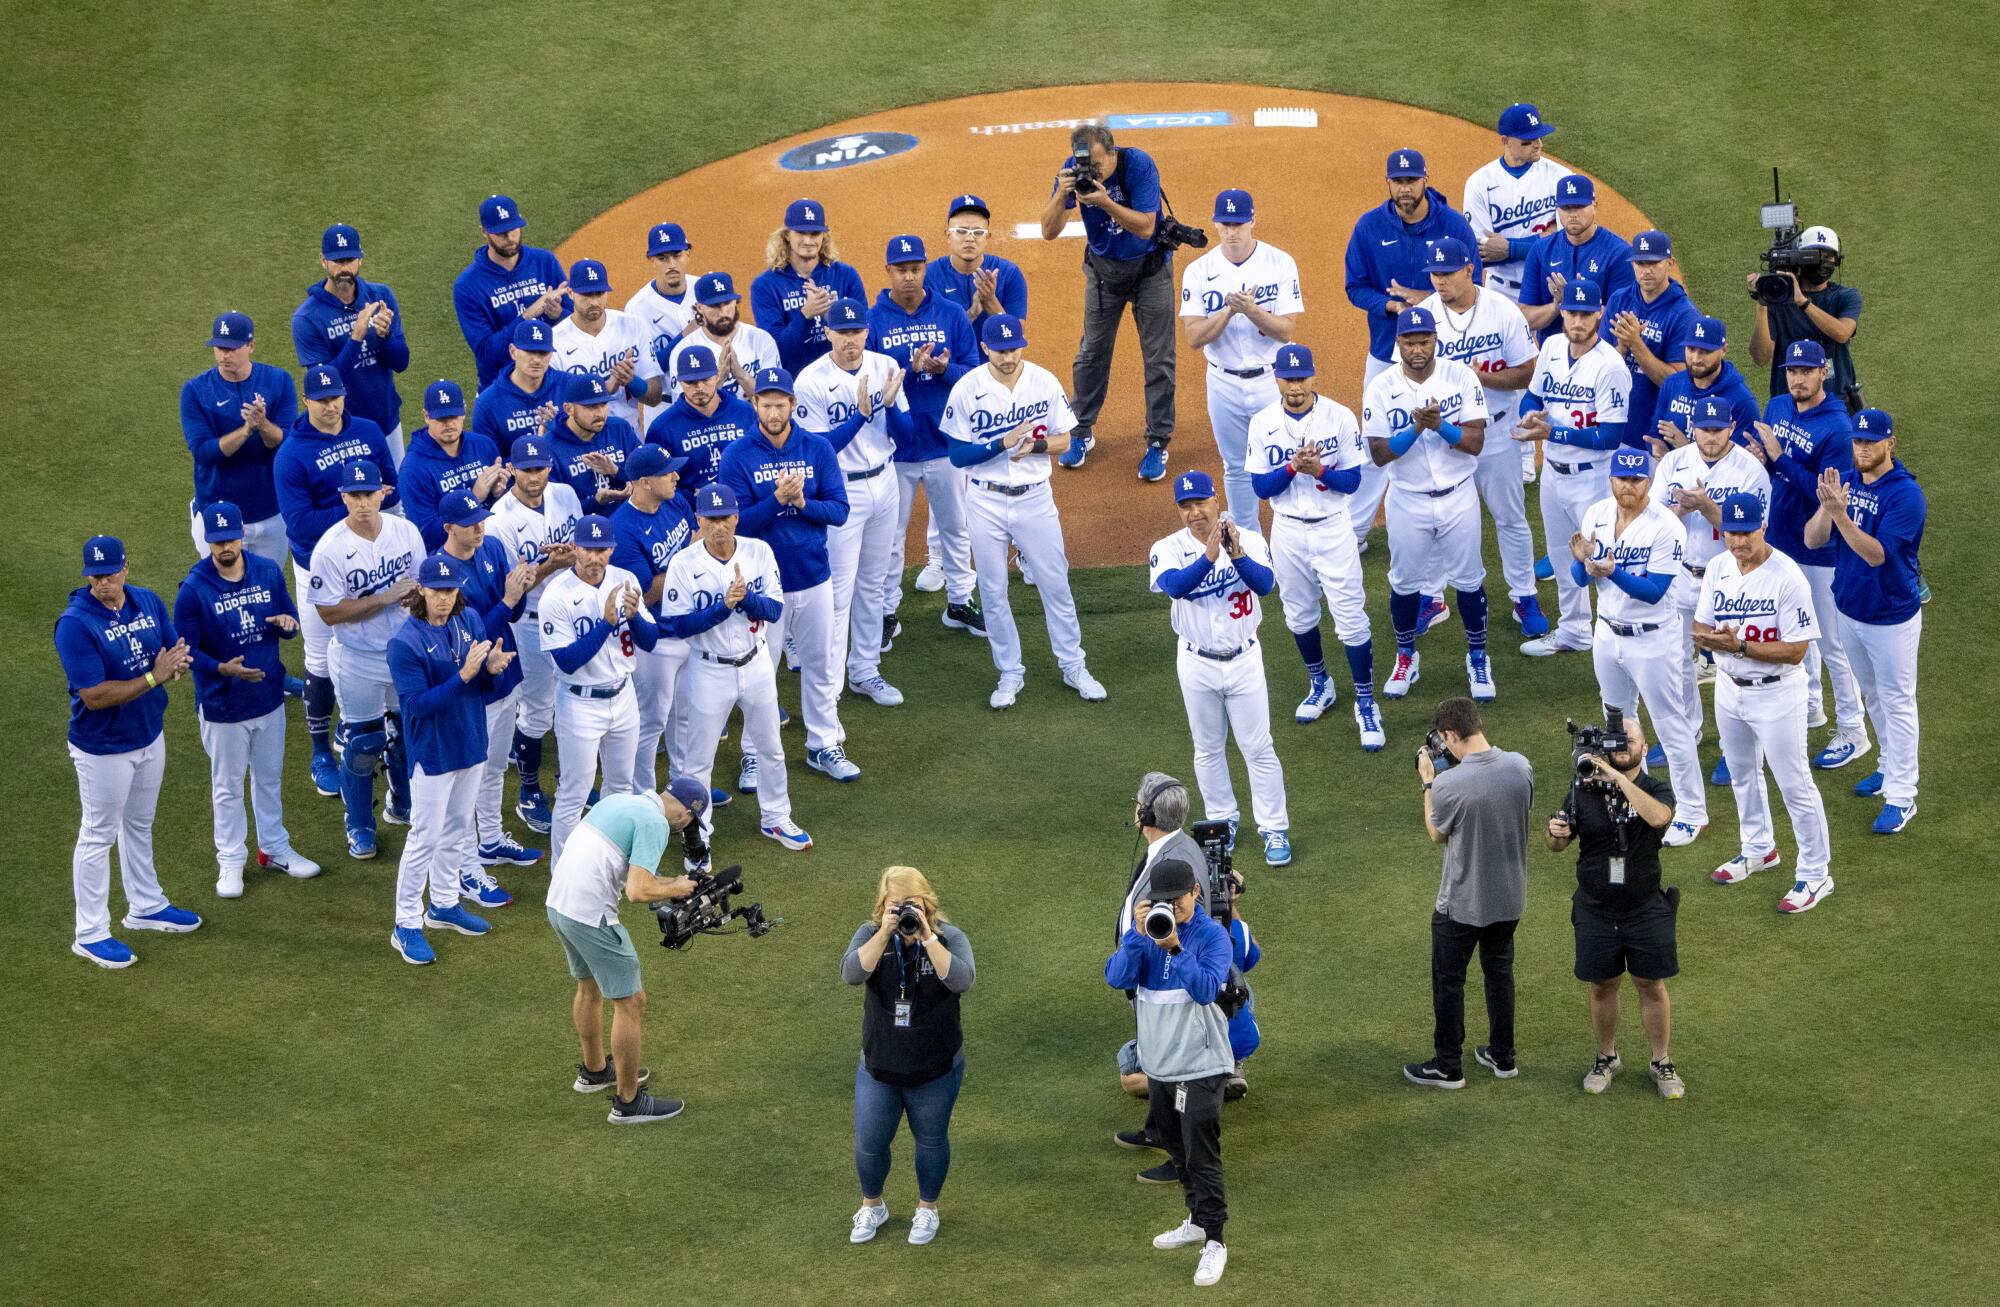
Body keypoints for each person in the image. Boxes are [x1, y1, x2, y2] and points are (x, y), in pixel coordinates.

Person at [941, 315, 1107, 708]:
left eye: (1014, 347)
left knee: (1055, 582)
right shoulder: (967, 389)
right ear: (985, 349)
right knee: (993, 590)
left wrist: (1033, 446)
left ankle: (1073, 665)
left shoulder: (1043, 381)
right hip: (985, 499)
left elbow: (1066, 440)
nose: (1009, 356)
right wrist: (1000, 444)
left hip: (1034, 496)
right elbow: (957, 454)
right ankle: (1009, 672)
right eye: (1000, 350)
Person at [56, 535, 201, 968]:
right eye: (96, 576)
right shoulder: (75, 624)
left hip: (147, 733)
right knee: (98, 833)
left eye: (111, 573)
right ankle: (90, 932)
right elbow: (95, 695)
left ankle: (145, 905)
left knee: (140, 823)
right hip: (103, 748)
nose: (104, 582)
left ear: (126, 568)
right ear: (87, 576)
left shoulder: (147, 601)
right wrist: (155, 677)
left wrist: (174, 663)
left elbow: (174, 647)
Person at [1694, 494, 1835, 913]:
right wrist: (1719, 643)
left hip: (1777, 692)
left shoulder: (1788, 576)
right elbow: (1700, 625)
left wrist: (1739, 647)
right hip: (1729, 688)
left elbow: (1795, 651)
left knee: (1794, 784)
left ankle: (1815, 874)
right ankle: (1759, 849)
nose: (1737, 542)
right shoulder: (1719, 568)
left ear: (1763, 528)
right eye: (1731, 533)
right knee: (1742, 774)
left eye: (1745, 533)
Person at [716, 367, 856, 784]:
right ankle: (753, 753)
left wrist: (802, 502)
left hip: (813, 575)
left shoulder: (817, 449)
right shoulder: (738, 455)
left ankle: (823, 744)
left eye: (780, 403)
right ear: (754, 404)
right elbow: (736, 525)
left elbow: (839, 510)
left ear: (793, 405)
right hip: (763, 585)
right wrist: (779, 500)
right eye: (766, 402)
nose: (773, 410)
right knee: (760, 672)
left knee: (821, 665)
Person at [173, 502, 319, 898]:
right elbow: (185, 653)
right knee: (228, 785)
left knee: (269, 778)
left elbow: (289, 617)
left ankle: (274, 848)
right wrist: (223, 669)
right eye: (217, 541)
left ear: (241, 535)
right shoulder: (193, 590)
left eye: (230, 538)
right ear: (207, 541)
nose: (224, 547)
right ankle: (230, 861)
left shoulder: (268, 571)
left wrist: (288, 626)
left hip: (268, 697)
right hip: (223, 707)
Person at [1148, 471, 1292, 866]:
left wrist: (1236, 553)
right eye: (1185, 506)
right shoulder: (1167, 548)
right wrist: (1211, 555)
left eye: (1201, 503)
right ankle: (1222, 821)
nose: (1195, 513)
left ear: (1216, 501)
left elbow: (1264, 586)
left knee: (1258, 747)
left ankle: (1274, 827)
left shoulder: (1250, 538)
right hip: (1196, 662)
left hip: (1245, 659)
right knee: (1208, 748)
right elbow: (1176, 587)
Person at [1341, 149, 1484, 546]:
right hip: (1386, 347)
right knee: (1377, 438)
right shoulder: (1369, 227)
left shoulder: (1453, 225)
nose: (1405, 189)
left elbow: (1476, 285)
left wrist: (1422, 301)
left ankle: (1449, 508)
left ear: (1425, 180)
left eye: (1412, 180)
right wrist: (1391, 306)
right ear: (1388, 183)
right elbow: (1355, 286)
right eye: (1398, 181)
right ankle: (1356, 529)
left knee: (1448, 430)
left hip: (1445, 352)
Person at [658, 484, 812, 852]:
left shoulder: (759, 552)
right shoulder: (684, 564)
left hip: (756, 663)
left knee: (770, 747)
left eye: (725, 517)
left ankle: (776, 818)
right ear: (699, 520)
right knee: (698, 760)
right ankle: (698, 836)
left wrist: (746, 599)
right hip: (708, 670)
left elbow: (775, 611)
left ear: (736, 516)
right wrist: (724, 606)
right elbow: (679, 626)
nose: (719, 526)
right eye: (711, 519)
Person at [1103, 858, 1234, 1288]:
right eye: (1161, 902)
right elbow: (1115, 977)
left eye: (1176, 900)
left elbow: (1204, 990)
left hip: (1201, 1065)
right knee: (1176, 1150)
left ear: (1195, 891)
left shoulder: (1212, 936)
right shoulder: (1145, 934)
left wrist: (1175, 947)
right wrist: (1134, 939)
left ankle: (1214, 1240)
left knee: (1201, 1154)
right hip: (1160, 1065)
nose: (1170, 909)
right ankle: (1197, 1218)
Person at [545, 779, 708, 1123]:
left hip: (559, 905)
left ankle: (594, 1071)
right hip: (591, 916)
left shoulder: (621, 803)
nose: (686, 829)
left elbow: (629, 872)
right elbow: (637, 890)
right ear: (685, 812)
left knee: (588, 988)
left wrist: (672, 886)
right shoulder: (655, 823)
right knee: (631, 1001)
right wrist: (674, 886)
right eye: (691, 821)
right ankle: (629, 1102)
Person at [1245, 345, 1383, 748]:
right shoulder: (1262, 423)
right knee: (1299, 616)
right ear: (1277, 379)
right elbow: (1260, 487)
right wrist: (1292, 467)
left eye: (1301, 377)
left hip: (1332, 528)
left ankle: (1365, 700)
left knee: (1351, 619)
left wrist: (1320, 469)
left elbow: (1353, 482)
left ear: (1312, 376)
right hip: (1286, 530)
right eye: (1288, 378)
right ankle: (1320, 683)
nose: (1295, 385)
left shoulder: (1339, 417)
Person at [385, 552, 520, 963]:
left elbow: (477, 684)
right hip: (433, 753)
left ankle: (443, 904)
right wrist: (463, 675)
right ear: (420, 591)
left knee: (459, 829)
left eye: (450, 590)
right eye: (437, 591)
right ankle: (405, 923)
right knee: (423, 838)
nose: (444, 598)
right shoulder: (404, 643)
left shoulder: (471, 621)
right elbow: (416, 707)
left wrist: (490, 670)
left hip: (470, 742)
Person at [274, 364, 401, 798]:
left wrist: (366, 508)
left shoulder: (366, 430)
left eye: (336, 397)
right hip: (318, 567)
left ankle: (367, 727)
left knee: (382, 641)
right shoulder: (291, 454)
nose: (331, 406)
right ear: (306, 401)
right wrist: (360, 508)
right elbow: (300, 523)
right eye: (321, 399)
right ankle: (319, 751)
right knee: (319, 657)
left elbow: (394, 489)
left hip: (372, 556)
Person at [1571, 448, 1707, 847]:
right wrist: (1581, 563)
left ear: (1648, 482)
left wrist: (1612, 571)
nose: (1628, 487)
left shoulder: (1666, 527)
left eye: (1636, 480)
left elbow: (1654, 591)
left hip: (1653, 637)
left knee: (1670, 723)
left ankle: (1693, 810)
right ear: (1610, 479)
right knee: (1617, 722)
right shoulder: (1596, 514)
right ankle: (1635, 795)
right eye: (1621, 479)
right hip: (1608, 633)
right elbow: (1581, 579)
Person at [1543, 715, 1685, 1099]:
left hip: (1644, 907)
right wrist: (1554, 835)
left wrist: (1619, 780)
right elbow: (1557, 845)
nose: (1622, 747)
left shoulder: (1656, 788)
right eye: (1615, 741)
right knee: (1602, 985)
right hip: (1595, 907)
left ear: (1644, 746)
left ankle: (1662, 1061)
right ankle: (1606, 1057)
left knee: (1650, 984)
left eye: (1629, 741)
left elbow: (1659, 818)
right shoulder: (1581, 789)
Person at [1413, 238, 1549, 638]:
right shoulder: (1423, 316)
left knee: (1510, 518)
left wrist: (1480, 379)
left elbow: (1528, 371)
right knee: (1438, 517)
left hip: (1495, 433)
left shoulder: (1501, 311)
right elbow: (1405, 374)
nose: (1440, 281)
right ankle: (1432, 597)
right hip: (1445, 438)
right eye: (1435, 274)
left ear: (1469, 269)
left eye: (1448, 273)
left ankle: (1524, 597)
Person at [1362, 307, 1495, 702]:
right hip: (1408, 500)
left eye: (1424, 341)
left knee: (1470, 580)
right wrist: (1417, 428)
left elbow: (1475, 442)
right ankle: (1406, 656)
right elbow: (1380, 454)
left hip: (1458, 496)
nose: (1417, 349)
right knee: (1403, 583)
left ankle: (1477, 657)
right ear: (1398, 343)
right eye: (1409, 342)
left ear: (1435, 340)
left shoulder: (1461, 377)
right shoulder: (1381, 386)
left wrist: (1441, 426)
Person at [842, 866, 977, 1247]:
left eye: (911, 904)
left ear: (927, 902)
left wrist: (927, 937)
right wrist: (885, 932)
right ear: (881, 906)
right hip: (879, 1065)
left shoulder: (949, 938)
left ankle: (927, 1208)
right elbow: (851, 974)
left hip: (935, 1067)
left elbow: (962, 981)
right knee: (869, 1141)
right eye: (894, 905)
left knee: (931, 1140)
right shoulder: (871, 935)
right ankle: (873, 1205)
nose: (904, 912)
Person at [1803, 409, 1924, 833]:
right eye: (1857, 441)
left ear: (1890, 443)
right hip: (1850, 609)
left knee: (1897, 701)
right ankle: (1889, 766)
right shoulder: (1849, 483)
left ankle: (1902, 795)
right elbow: (1812, 539)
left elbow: (1876, 555)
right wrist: (1827, 508)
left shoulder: (1905, 495)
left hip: (1890, 616)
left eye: (1871, 442)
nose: (1862, 448)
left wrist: (1840, 515)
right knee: (1872, 695)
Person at [1405, 697, 1534, 1088]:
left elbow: (1435, 833)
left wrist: (1429, 781)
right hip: (1509, 898)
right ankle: (1503, 1056)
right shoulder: (1521, 766)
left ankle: (1448, 1066)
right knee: (1499, 975)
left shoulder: (1447, 784)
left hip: (1461, 903)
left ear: (1448, 735)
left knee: (1449, 981)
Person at [1750, 340, 1868, 765]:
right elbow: (1769, 466)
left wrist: (1779, 459)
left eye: (1806, 371)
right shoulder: (1778, 406)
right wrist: (1761, 459)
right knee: (1796, 631)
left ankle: (1854, 731)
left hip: (1820, 553)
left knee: (1833, 643)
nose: (1797, 378)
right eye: (1791, 370)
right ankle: (1813, 706)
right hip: (1780, 538)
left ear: (1824, 374)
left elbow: (1826, 495)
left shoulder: (1837, 429)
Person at [1040, 124, 1176, 481]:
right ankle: (1081, 431)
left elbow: (1147, 226)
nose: (1091, 172)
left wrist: (1104, 202)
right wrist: (1061, 195)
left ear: (1112, 152)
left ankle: (1159, 441)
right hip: (1104, 275)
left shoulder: (1138, 165)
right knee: (1091, 354)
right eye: (1086, 166)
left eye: (1097, 165)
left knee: (1158, 358)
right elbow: (1048, 231)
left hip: (1150, 272)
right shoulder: (1074, 169)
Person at [796, 296, 910, 707]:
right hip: (841, 489)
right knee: (838, 592)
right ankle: (828, 687)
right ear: (828, 333)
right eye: (841, 332)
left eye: (856, 331)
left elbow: (907, 436)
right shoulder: (809, 380)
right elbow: (820, 448)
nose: (850, 340)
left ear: (867, 331)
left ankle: (864, 670)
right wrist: (861, 415)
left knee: (873, 584)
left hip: (886, 481)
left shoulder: (885, 367)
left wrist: (893, 406)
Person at [308, 459, 424, 859]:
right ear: (343, 498)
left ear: (382, 493)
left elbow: (420, 584)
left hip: (403, 652)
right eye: (353, 496)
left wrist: (415, 596)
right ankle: (358, 823)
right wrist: (383, 598)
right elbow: (329, 612)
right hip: (357, 658)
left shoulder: (405, 532)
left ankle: (402, 801)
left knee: (409, 731)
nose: (362, 503)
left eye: (368, 494)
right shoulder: (330, 548)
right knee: (363, 742)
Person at [873, 233, 985, 636]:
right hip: (897, 448)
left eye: (915, 269)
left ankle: (959, 600)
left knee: (955, 527)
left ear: (925, 269)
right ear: (888, 271)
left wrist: (941, 370)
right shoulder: (872, 321)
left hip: (944, 443)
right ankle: (886, 612)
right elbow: (868, 381)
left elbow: (973, 372)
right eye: (901, 269)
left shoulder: (951, 313)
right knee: (891, 536)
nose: (909, 277)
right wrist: (907, 367)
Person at [1650, 397, 1771, 767]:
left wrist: (1705, 506)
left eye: (1719, 430)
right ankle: (1687, 731)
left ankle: (1738, 745)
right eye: (1705, 429)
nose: (1712, 437)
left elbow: (1751, 534)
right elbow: (1652, 519)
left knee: (1736, 663)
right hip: (1681, 572)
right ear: (1694, 429)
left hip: (1732, 578)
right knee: (1676, 660)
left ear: (1731, 429)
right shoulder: (1674, 462)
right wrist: (1680, 510)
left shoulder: (1751, 471)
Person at [1516, 279, 1632, 655]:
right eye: (1571, 312)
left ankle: (1617, 637)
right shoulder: (1550, 346)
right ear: (1562, 311)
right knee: (1564, 555)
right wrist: (1528, 414)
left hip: (1593, 479)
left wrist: (1555, 433)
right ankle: (1574, 631)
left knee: (1602, 559)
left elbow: (1611, 436)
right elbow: (1533, 395)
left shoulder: (1610, 366)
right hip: (1552, 473)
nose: (1578, 321)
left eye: (1586, 313)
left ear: (1599, 313)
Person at [434, 490, 544, 879]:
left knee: (495, 767)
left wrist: (520, 589)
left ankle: (491, 839)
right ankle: (463, 869)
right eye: (469, 524)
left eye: (481, 519)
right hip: (472, 688)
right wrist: (510, 598)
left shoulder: (492, 547)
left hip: (505, 673)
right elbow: (467, 637)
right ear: (449, 528)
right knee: (469, 777)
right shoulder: (440, 573)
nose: (479, 527)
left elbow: (510, 613)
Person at [538, 514, 659, 867]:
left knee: (620, 787)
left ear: (612, 549)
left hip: (623, 696)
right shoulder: (556, 595)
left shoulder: (626, 580)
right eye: (588, 549)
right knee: (575, 792)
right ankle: (563, 871)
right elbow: (567, 662)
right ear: (574, 548)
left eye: (602, 549)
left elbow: (650, 641)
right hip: (580, 701)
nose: (595, 558)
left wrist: (634, 618)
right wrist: (606, 624)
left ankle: (609, 859)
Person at [1178, 188, 1303, 528]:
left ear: (1252, 221)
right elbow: (1193, 337)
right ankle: (1249, 543)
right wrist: (1228, 313)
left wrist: (1251, 310)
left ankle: (1289, 530)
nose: (1232, 231)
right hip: (1223, 381)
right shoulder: (1198, 270)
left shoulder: (1280, 262)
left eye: (1238, 223)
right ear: (1215, 224)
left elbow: (1286, 331)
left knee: (1281, 460)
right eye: (1225, 224)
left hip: (1269, 381)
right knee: (1235, 465)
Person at [484, 435, 584, 834]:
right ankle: (528, 792)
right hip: (529, 620)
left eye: (540, 468)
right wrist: (550, 565)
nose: (534, 476)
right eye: (526, 470)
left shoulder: (565, 495)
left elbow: (579, 549)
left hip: (572, 610)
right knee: (539, 709)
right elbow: (513, 587)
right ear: (512, 470)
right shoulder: (498, 520)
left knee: (574, 700)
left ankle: (569, 782)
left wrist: (572, 556)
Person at [1463, 102, 1567, 482]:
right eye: (1528, 139)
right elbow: (1481, 249)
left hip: (1550, 286)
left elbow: (1567, 235)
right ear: (1505, 140)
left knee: (1554, 368)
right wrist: (1533, 243)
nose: (1537, 143)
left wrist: (1515, 248)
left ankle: (1549, 442)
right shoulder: (1480, 182)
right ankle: (1521, 449)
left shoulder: (1559, 177)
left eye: (1540, 136)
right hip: (1503, 290)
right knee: (1511, 368)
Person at [608, 445, 697, 794]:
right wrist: (687, 561)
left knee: (685, 715)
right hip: (655, 641)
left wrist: (689, 554)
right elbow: (645, 595)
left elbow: (692, 540)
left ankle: (683, 784)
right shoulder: (623, 529)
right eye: (667, 472)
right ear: (644, 482)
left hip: (689, 628)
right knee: (651, 721)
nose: (676, 475)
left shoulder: (674, 500)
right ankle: (642, 793)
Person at [179, 311, 295, 563]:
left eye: (231, 348)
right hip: (216, 514)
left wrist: (262, 424)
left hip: (270, 513)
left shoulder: (278, 381)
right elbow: (204, 453)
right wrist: (246, 430)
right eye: (219, 348)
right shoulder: (196, 391)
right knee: (222, 593)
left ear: (251, 346)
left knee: (267, 590)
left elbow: (288, 444)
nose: (224, 355)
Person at [291, 223, 410, 465]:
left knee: (396, 500)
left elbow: (401, 362)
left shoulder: (380, 296)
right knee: (357, 499)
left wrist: (386, 337)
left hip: (387, 420)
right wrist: (356, 338)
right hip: (343, 432)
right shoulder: (307, 318)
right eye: (337, 261)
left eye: (349, 259)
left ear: (360, 259)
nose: (344, 268)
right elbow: (324, 387)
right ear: (323, 260)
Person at [452, 194, 570, 389]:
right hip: (502, 390)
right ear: (484, 232)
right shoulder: (467, 286)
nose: (510, 238)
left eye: (514, 229)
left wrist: (558, 315)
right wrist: (529, 314)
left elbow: (577, 322)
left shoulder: (544, 261)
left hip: (552, 382)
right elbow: (486, 352)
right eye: (501, 233)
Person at [1747, 225, 1862, 409]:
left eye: (1828, 257)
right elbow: (1760, 357)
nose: (1821, 263)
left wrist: (1803, 302)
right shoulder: (1779, 298)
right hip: (1789, 406)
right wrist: (1761, 305)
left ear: (1837, 261)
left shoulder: (1846, 296)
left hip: (1834, 404)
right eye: (1814, 256)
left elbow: (1842, 333)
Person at [750, 198, 869, 376]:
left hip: (843, 376)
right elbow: (775, 350)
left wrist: (833, 316)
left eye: (814, 233)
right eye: (801, 233)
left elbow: (863, 334)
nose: (808, 240)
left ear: (823, 236)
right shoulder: (765, 286)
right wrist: (805, 315)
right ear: (787, 236)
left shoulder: (846, 275)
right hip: (796, 381)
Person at [1599, 231, 1696, 438]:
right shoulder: (1619, 300)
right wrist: (1622, 349)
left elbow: (1678, 384)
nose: (1646, 271)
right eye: (1640, 263)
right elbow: (1597, 366)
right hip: (1613, 425)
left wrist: (1635, 344)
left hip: (1656, 435)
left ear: (1670, 263)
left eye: (1654, 263)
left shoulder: (1684, 315)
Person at [1516, 174, 1636, 339]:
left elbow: (1622, 322)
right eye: (1566, 208)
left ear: (1594, 205)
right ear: (1557, 209)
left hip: (1600, 357)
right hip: (1552, 356)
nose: (1573, 214)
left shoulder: (1619, 253)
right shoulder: (1540, 250)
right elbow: (1525, 318)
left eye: (1579, 207)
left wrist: (1578, 301)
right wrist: (1556, 306)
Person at [552, 257, 662, 434]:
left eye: (599, 293)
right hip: (581, 443)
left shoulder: (633, 326)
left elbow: (655, 397)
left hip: (629, 436)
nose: (594, 302)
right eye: (587, 295)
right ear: (571, 293)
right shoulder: (554, 342)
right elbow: (557, 413)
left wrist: (632, 381)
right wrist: (604, 391)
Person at [398, 379, 508, 550]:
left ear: (464, 410)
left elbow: (504, 509)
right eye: (441, 418)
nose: (449, 424)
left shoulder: (484, 445)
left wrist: (499, 494)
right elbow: (427, 536)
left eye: (453, 416)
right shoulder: (413, 470)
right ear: (426, 416)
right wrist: (474, 498)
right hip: (451, 558)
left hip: (493, 542)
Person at [644, 343, 760, 504]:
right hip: (696, 514)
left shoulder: (746, 413)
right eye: (691, 382)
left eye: (705, 379)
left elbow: (763, 459)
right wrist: (691, 498)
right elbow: (655, 483)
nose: (699, 387)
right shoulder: (662, 428)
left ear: (717, 375)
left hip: (746, 505)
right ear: (678, 381)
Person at [926, 193, 1028, 349]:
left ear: (988, 237)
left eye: (978, 232)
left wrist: (989, 300)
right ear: (948, 235)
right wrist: (972, 314)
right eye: (961, 231)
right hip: (948, 366)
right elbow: (930, 340)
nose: (969, 238)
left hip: (993, 367)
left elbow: (1015, 337)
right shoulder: (929, 276)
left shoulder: (1009, 274)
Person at [625, 222, 699, 430]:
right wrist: (685, 335)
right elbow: (648, 372)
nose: (672, 264)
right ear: (651, 260)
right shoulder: (637, 308)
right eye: (663, 258)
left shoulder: (703, 290)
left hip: (707, 402)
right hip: (663, 408)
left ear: (688, 254)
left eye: (677, 255)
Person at [1650, 316, 1762, 453]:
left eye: (1705, 351)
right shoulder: (1672, 383)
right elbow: (1655, 433)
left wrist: (1686, 449)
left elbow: (1737, 464)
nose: (1696, 359)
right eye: (1691, 349)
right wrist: (1655, 448)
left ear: (1724, 351)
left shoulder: (1742, 401)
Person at [666, 273, 781, 403]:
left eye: (727, 303)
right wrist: (719, 379)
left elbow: (775, 402)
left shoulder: (761, 340)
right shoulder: (684, 351)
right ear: (699, 308)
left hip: (755, 422)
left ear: (735, 302)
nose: (723, 312)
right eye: (715, 306)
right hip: (711, 423)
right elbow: (687, 413)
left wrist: (741, 376)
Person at [547, 371, 645, 515]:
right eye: (591, 406)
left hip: (632, 519)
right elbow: (554, 513)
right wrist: (596, 501)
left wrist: (616, 472)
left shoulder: (619, 428)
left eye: (603, 404)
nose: (600, 413)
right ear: (569, 409)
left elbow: (648, 479)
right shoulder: (549, 447)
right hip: (585, 533)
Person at [470, 317, 567, 452]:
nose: (537, 360)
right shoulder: (487, 405)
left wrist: (561, 429)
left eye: (543, 353)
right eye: (530, 352)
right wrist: (539, 448)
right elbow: (490, 464)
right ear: (513, 351)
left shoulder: (569, 387)